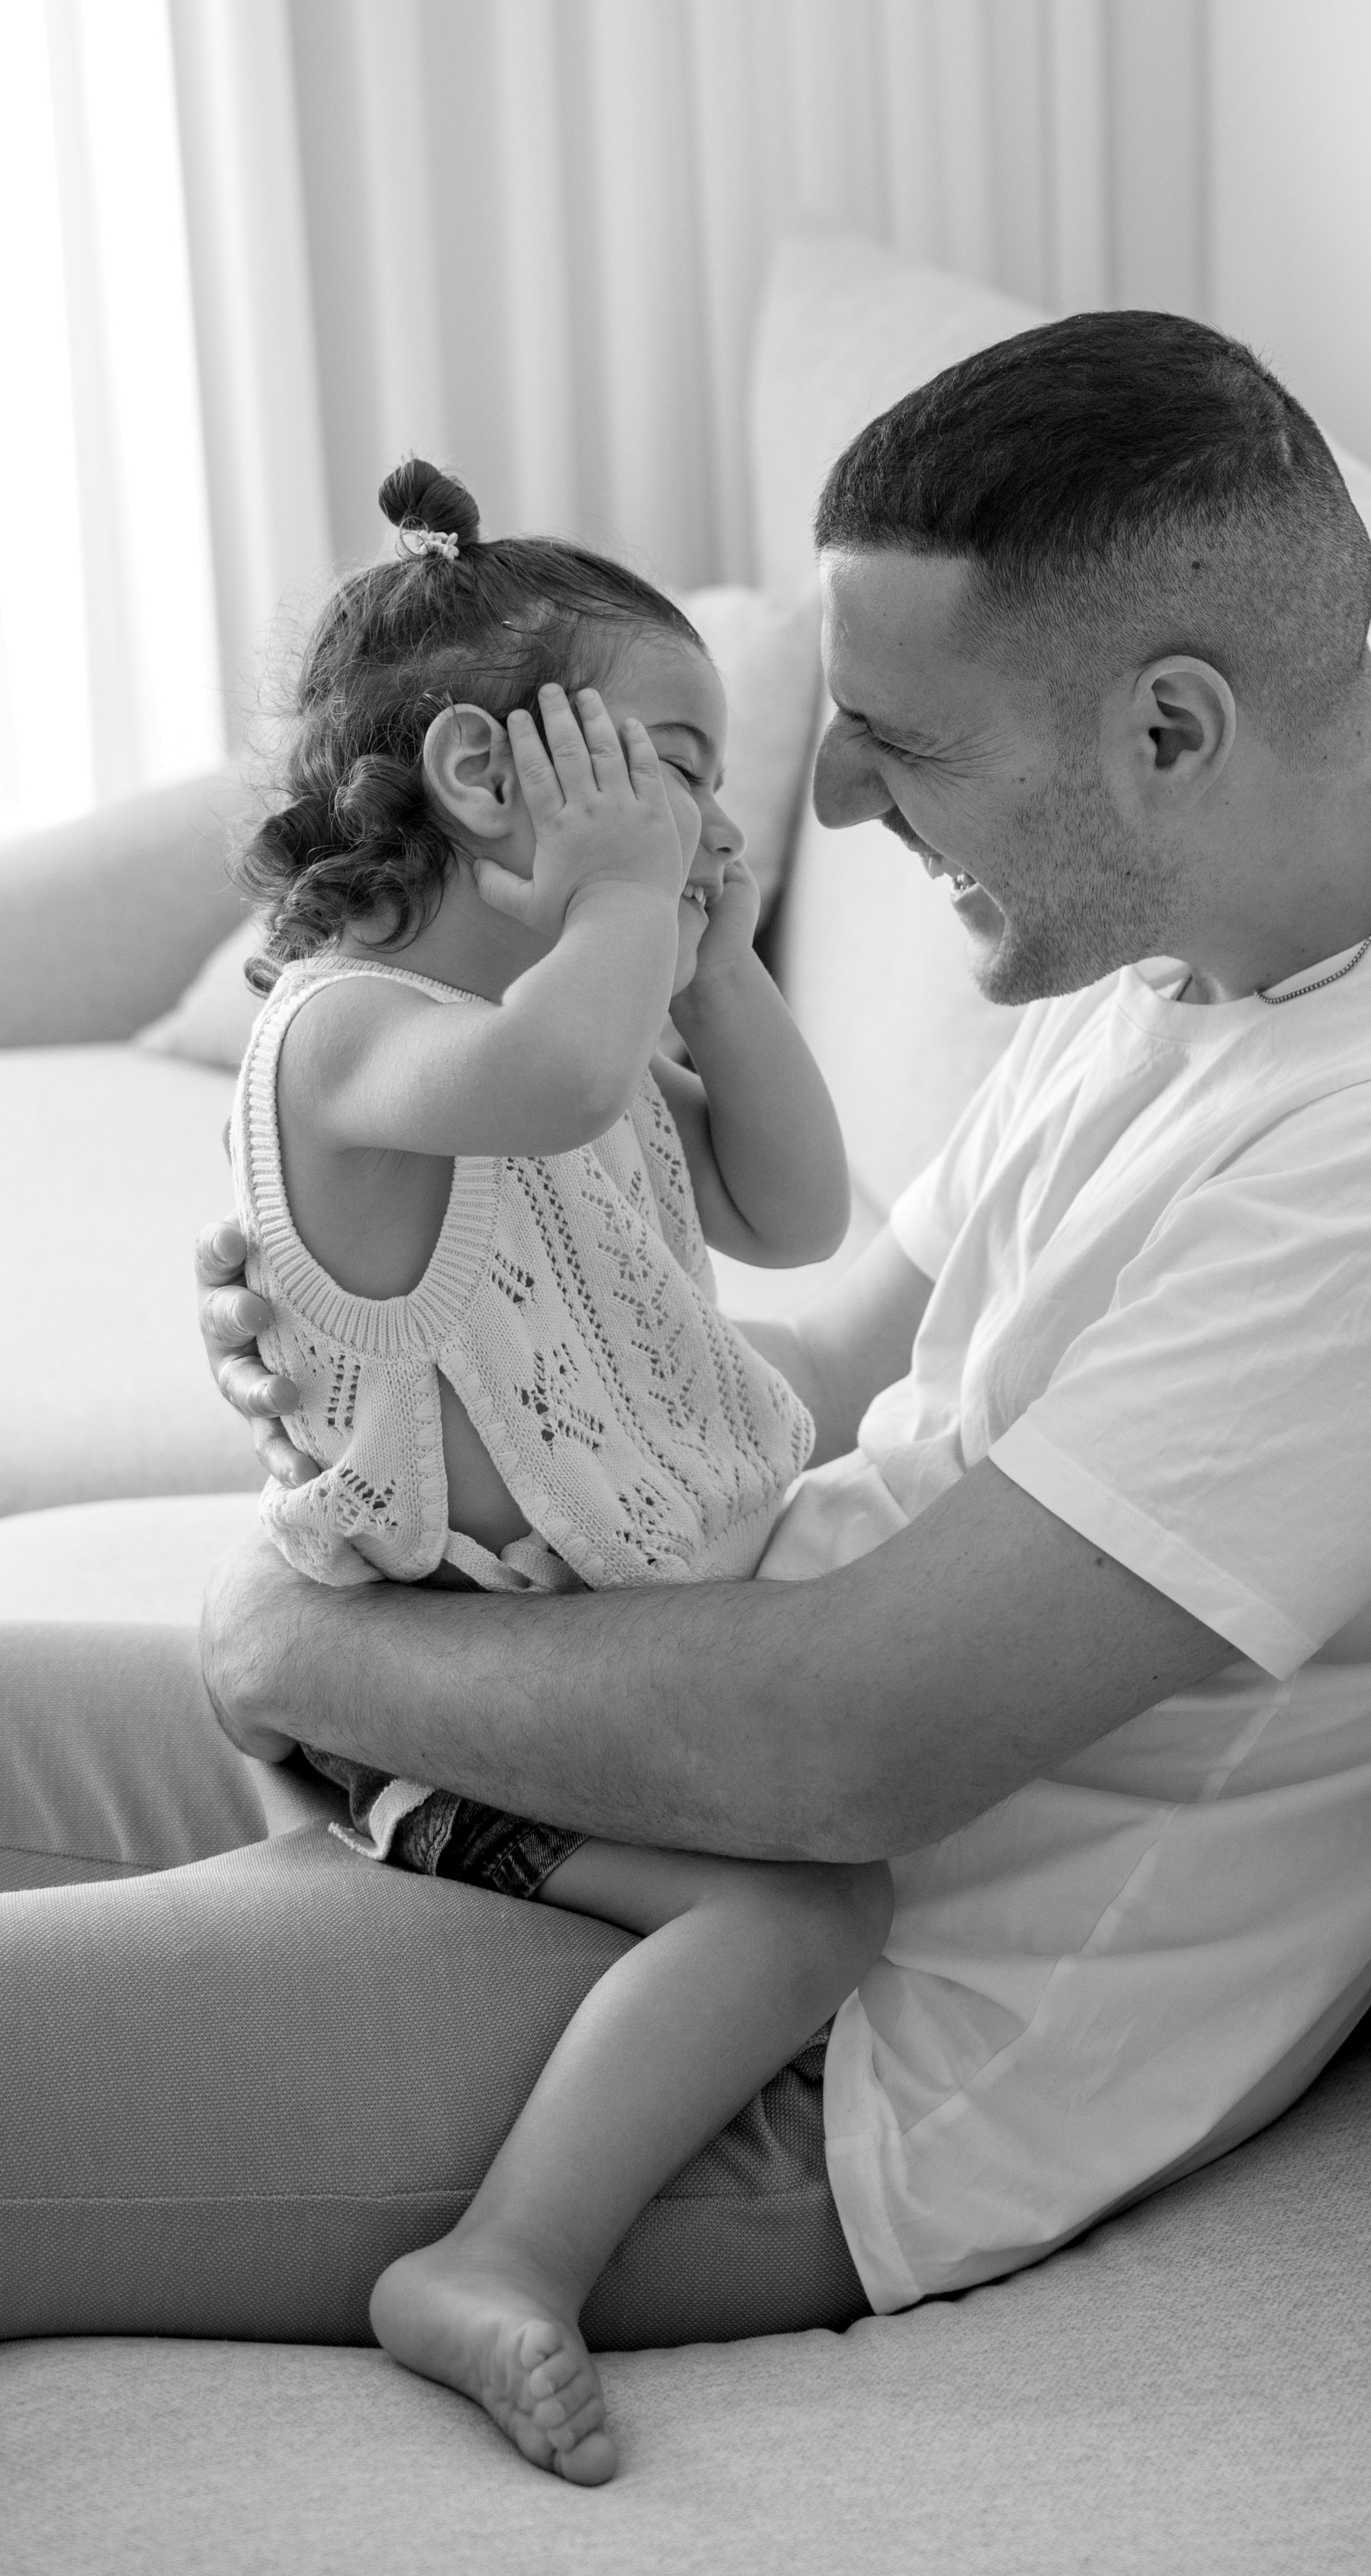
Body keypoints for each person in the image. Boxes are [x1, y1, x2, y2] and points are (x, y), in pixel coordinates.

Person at [0, 315, 1371, 2394]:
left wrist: (290, 1642)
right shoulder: (1193, 954)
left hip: (819, 2032)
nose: (826, 794)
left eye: (900, 743)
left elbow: (850, 1748)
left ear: (1174, 731)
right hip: (660, 1760)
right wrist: (412, 1328)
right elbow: (825, 1363)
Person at [213, 455, 882, 2480]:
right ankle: (500, 2257)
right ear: (494, 777)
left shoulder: (579, 1028)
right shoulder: (360, 1043)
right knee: (805, 1918)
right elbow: (551, 1082)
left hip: (613, 1663)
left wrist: (726, 963)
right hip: (443, 1711)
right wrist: (620, 914)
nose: (711, 815)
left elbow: (798, 1214)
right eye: (674, 765)